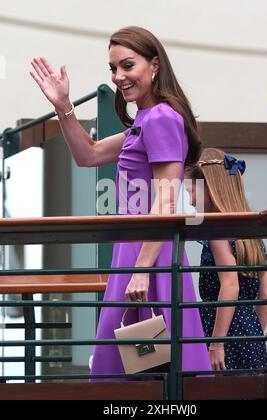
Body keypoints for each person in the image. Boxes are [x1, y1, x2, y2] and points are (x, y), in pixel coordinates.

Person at [30, 26, 211, 379]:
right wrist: (64, 106)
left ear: (154, 65)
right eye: (113, 69)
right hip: (138, 251)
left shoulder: (160, 117)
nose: (119, 77)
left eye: (128, 65)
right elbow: (89, 154)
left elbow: (167, 201)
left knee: (146, 371)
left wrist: (142, 269)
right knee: (143, 367)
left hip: (147, 254)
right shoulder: (145, 120)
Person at [185, 147, 267, 370]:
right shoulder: (252, 231)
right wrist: (252, 334)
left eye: (193, 191)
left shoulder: (217, 231)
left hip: (220, 331)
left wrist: (217, 344)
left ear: (210, 189)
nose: (191, 200)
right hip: (249, 330)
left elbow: (230, 285)